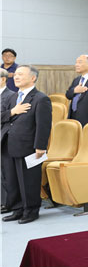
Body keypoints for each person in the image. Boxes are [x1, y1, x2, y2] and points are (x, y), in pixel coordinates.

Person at [1, 65, 52, 224]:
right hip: (8, 144)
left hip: (28, 146)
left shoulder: (40, 98)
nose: (16, 77)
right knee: (12, 180)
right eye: (15, 74)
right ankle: (17, 209)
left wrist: (41, 147)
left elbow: (43, 125)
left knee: (28, 180)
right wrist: (13, 112)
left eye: (20, 74)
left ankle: (30, 211)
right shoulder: (12, 97)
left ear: (32, 78)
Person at [0, 68, 15, 213]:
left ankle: (6, 203)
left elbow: (10, 117)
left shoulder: (11, 96)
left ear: (3, 79)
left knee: (5, 172)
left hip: (3, 137)